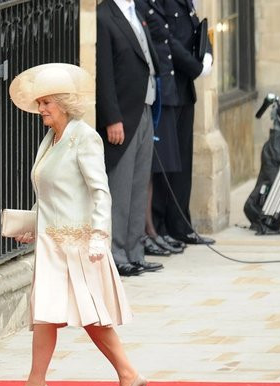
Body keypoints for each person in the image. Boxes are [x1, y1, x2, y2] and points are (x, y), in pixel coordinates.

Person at [1, 63, 149, 386]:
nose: (41, 109)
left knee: (87, 316)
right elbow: (55, 196)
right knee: (49, 314)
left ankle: (124, 374)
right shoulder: (51, 139)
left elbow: (100, 192)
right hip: (53, 243)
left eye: (46, 103)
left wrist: (100, 236)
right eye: (39, 103)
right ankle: (40, 383)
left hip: (79, 244)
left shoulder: (85, 137)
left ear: (64, 104)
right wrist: (31, 226)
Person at [96, 0, 164, 277]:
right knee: (121, 189)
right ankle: (116, 253)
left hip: (145, 108)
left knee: (138, 184)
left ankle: (136, 252)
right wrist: (112, 118)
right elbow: (103, 74)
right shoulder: (103, 15)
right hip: (122, 115)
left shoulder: (138, 12)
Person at [158, 0, 215, 245]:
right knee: (166, 165)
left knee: (183, 162)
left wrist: (208, 55)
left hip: (184, 91)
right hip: (168, 90)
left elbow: (198, 29)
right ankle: (162, 227)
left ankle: (181, 225)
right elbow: (168, 40)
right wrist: (195, 67)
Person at [135, 0, 186, 256]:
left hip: (162, 91)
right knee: (149, 169)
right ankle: (147, 231)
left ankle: (155, 229)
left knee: (159, 168)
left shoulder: (154, 5)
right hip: (149, 96)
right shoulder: (140, 6)